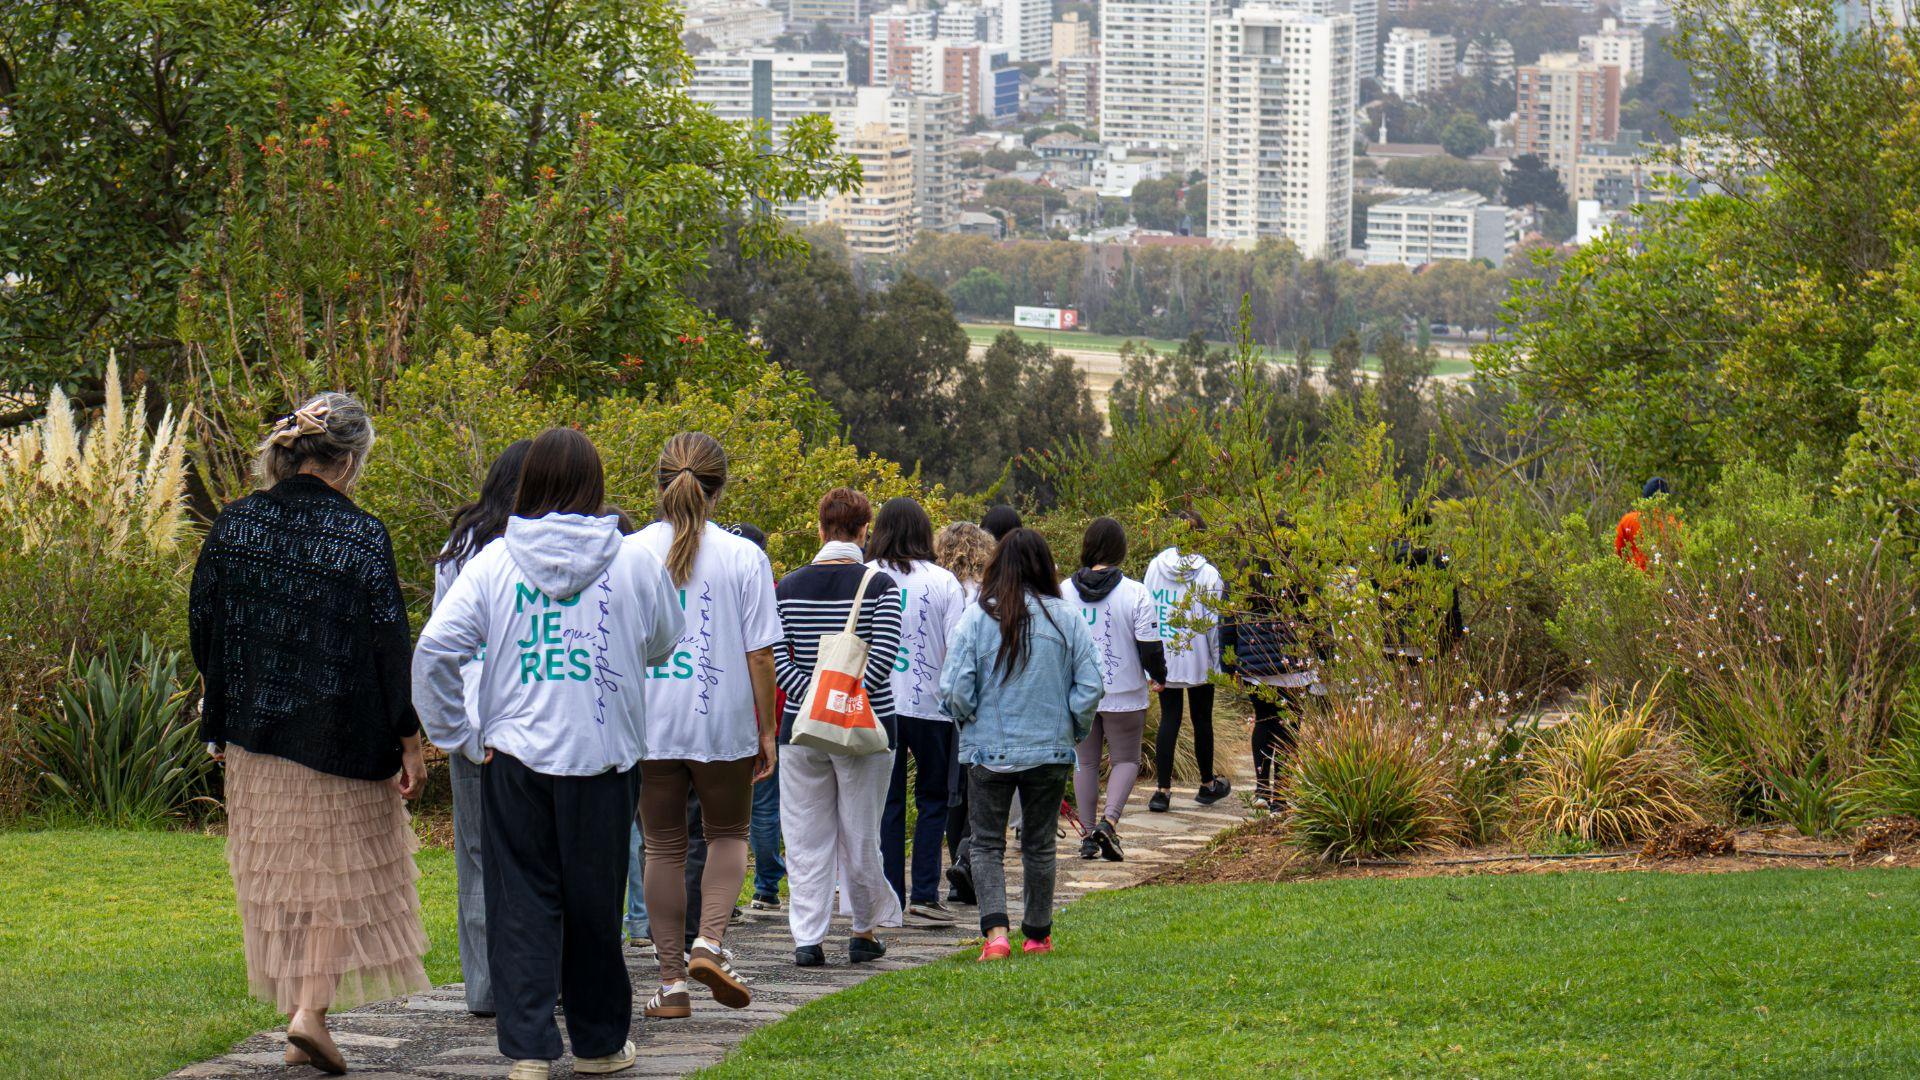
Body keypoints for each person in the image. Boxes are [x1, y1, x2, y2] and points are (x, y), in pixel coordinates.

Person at [413, 428, 684, 1080]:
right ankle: (598, 1046)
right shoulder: (633, 561)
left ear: (530, 482)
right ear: (594, 487)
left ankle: (529, 1051)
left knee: (522, 905)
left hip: (514, 757)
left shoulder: (493, 562)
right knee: (596, 905)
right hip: (603, 757)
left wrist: (459, 733)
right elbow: (666, 641)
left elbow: (434, 654)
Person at [188, 392, 431, 1075]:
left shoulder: (233, 524)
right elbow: (389, 644)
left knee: (283, 876)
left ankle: (303, 1013)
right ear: (349, 461)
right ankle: (309, 1014)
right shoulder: (361, 534)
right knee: (338, 879)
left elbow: (205, 622)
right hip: (340, 737)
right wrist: (407, 738)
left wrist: (224, 708)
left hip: (256, 734)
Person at [630, 433, 782, 1019]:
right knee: (727, 835)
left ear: (659, 482)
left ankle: (671, 984)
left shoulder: (629, 552)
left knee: (662, 848)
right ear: (720, 488)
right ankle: (710, 942)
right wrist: (766, 730)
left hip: (649, 719)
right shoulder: (745, 556)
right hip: (721, 718)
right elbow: (760, 655)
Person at [940, 528, 1102, 960]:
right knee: (1040, 842)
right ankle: (1037, 935)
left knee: (987, 843)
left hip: (988, 751)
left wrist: (967, 721)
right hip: (1050, 751)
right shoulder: (1066, 618)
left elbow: (955, 687)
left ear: (998, 567)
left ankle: (996, 934)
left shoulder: (977, 618)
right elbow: (1090, 685)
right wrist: (1073, 729)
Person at [773, 487, 905, 967]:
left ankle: (807, 939)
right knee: (861, 831)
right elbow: (883, 661)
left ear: (821, 527)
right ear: (864, 530)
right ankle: (863, 930)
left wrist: (813, 700)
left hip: (800, 730)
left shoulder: (787, 587)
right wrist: (843, 702)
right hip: (864, 729)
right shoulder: (880, 586)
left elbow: (776, 660)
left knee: (806, 836)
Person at [431, 437, 534, 1018]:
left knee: (475, 854)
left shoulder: (460, 547)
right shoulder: (542, 547)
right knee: (536, 851)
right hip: (530, 714)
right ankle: (543, 977)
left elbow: (442, 640)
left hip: (471, 719)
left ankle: (485, 987)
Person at [867, 498, 967, 924]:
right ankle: (924, 894)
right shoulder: (944, 582)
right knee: (932, 799)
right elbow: (959, 647)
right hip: (933, 705)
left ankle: (889, 896)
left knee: (887, 802)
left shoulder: (867, 576)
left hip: (877, 704)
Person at [1061, 517, 1165, 862]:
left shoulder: (1063, 591)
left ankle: (1088, 835)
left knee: (1085, 762)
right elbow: (1150, 645)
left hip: (1078, 691)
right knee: (1126, 759)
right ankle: (1109, 822)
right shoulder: (1135, 592)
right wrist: (1158, 674)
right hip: (1124, 688)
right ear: (1120, 549)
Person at [1143, 511, 1230, 811]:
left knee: (1170, 719)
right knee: (1202, 719)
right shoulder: (1209, 575)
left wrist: (1149, 663)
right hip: (1198, 658)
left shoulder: (1155, 567)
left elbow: (1149, 612)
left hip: (1164, 657)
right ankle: (1207, 784)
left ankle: (1162, 791)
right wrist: (1218, 666)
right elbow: (1212, 626)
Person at [933, 521, 997, 906]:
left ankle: (958, 868)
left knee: (951, 790)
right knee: (978, 784)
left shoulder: (940, 586)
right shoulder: (985, 594)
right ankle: (967, 858)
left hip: (945, 700)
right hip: (983, 698)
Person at [727, 522, 789, 912]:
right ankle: (766, 887)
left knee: (717, 815)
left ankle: (720, 897)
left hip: (721, 712)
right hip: (771, 708)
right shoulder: (776, 593)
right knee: (765, 806)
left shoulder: (714, 591)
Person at [1221, 558, 1315, 812]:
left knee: (1263, 721)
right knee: (1289, 726)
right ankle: (1281, 796)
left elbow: (1227, 623)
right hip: (1294, 665)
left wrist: (1228, 664)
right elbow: (1315, 618)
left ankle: (1262, 789)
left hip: (1255, 665)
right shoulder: (1300, 569)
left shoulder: (1243, 571)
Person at [1615, 477, 1675, 572]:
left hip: (1633, 580)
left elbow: (1616, 553)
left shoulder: (1628, 520)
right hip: (1664, 582)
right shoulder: (1673, 524)